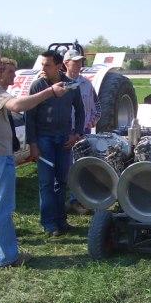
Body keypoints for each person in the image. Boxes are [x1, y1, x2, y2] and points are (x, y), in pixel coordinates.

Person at [0, 48, 68, 267]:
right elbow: (16, 105)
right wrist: (50, 92)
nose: (0, 66)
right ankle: (7, 257)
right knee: (1, 208)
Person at [26, 50, 85, 237]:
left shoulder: (71, 85)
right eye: (41, 64)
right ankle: (49, 224)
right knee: (46, 183)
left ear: (59, 66)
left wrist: (76, 134)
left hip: (64, 140)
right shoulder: (37, 85)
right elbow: (30, 117)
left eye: (47, 65)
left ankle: (61, 220)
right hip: (44, 140)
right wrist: (33, 144)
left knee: (62, 181)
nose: (42, 68)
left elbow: (80, 110)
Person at [63, 49, 101, 215]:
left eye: (80, 62)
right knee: (66, 166)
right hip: (63, 131)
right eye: (75, 62)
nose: (79, 65)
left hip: (83, 131)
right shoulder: (59, 84)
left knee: (82, 165)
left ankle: (78, 200)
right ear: (66, 63)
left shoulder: (86, 84)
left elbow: (97, 106)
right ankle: (67, 201)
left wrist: (93, 119)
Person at [0, 58, 20, 152]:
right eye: (10, 71)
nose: (14, 75)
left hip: (6, 148)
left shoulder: (5, 95)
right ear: (0, 72)